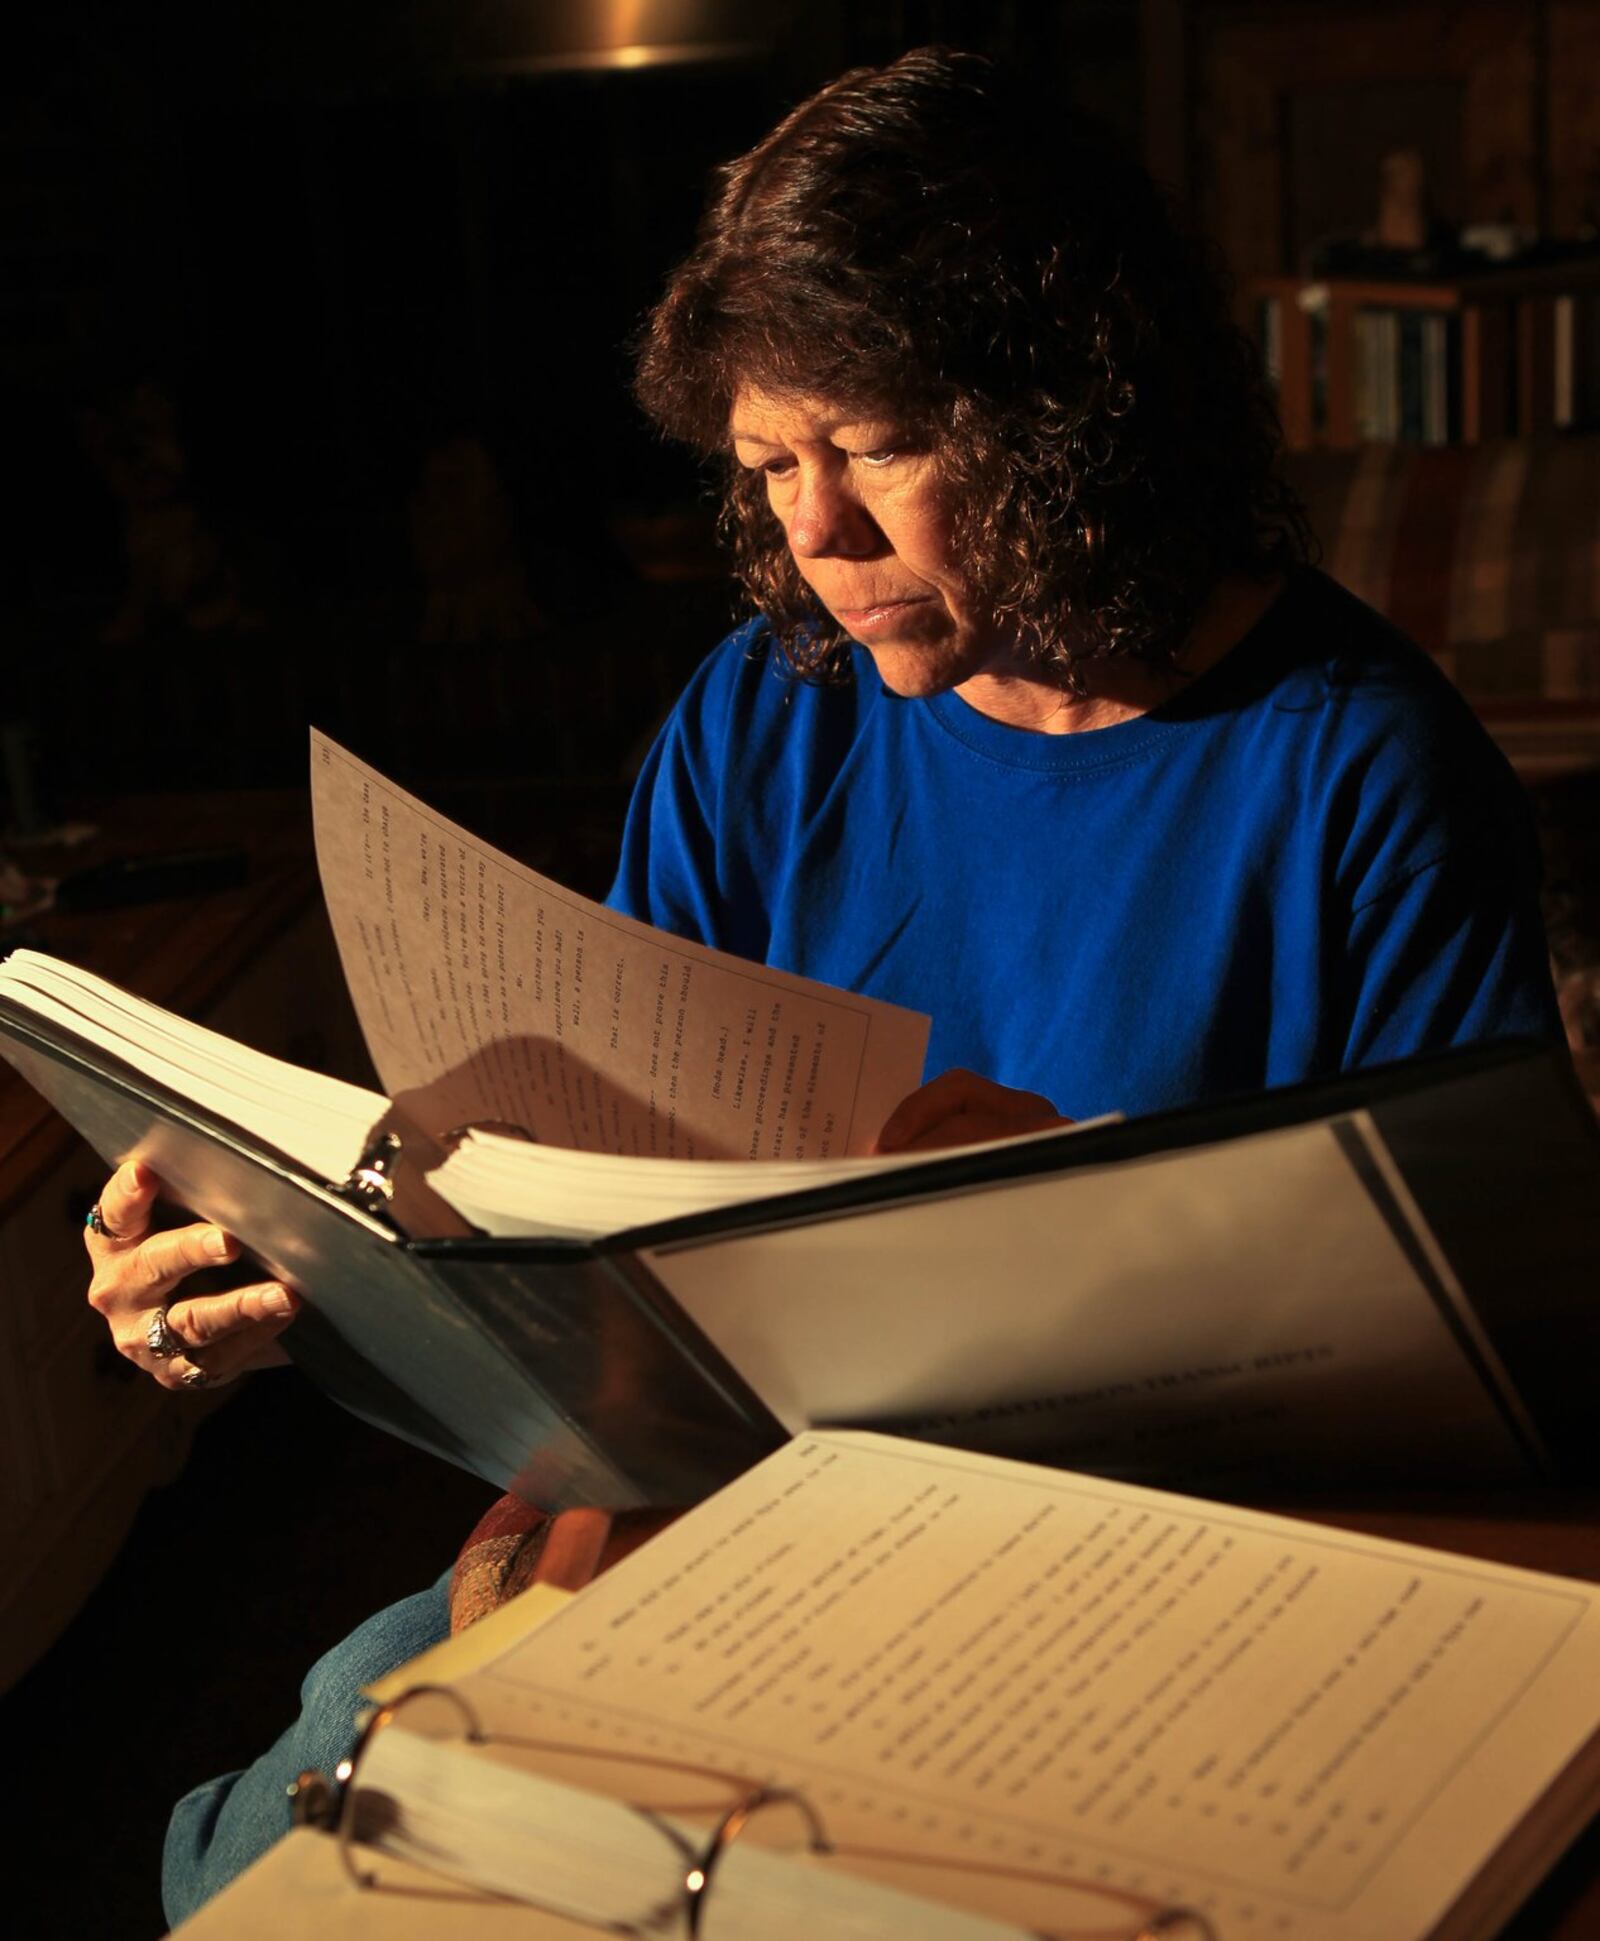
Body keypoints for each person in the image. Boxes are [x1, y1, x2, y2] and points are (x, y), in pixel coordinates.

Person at [79, 48, 1560, 1926]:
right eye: (769, 465)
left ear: (1068, 410)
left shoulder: (1365, 775)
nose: (816, 532)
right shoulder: (766, 716)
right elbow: (588, 1214)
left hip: (1125, 1611)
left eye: (871, 448)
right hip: (735, 1528)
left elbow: (1496, 1411)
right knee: (265, 1828)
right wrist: (304, 1269)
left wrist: (1078, 1226)